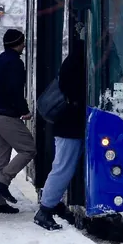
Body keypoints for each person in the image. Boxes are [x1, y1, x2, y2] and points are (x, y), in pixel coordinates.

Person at [34, 38, 86, 230]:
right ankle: (45, 210)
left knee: (64, 167)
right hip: (70, 127)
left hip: (71, 126)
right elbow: (74, 93)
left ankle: (52, 204)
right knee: (63, 168)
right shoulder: (76, 65)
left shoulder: (73, 62)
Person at [0, 28, 36, 214]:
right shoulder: (15, 63)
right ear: (18, 43)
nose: (24, 46)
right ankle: (2, 182)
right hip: (6, 116)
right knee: (28, 149)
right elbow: (15, 90)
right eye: (23, 42)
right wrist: (24, 111)